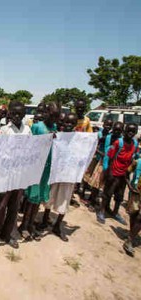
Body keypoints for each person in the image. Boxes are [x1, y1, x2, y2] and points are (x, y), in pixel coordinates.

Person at [0, 101, 32, 249]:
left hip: (20, 174)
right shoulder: (4, 130)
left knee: (14, 206)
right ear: (9, 114)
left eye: (20, 114)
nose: (16, 116)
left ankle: (6, 234)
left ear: (24, 115)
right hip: (6, 174)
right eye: (13, 113)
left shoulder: (27, 129)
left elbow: (31, 148)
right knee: (1, 205)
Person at [19, 102, 60, 241]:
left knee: (39, 199)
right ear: (46, 113)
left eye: (57, 116)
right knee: (31, 197)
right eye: (52, 115)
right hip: (36, 166)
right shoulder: (37, 127)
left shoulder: (54, 127)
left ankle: (31, 225)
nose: (54, 118)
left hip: (47, 168)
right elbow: (29, 146)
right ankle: (23, 226)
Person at [38, 113, 78, 242]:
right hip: (55, 172)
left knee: (64, 199)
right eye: (67, 122)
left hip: (69, 174)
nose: (69, 125)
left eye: (72, 123)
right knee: (50, 196)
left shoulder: (79, 139)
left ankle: (57, 225)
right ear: (63, 122)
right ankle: (45, 220)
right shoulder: (56, 136)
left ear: (75, 125)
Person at [97, 123, 138, 225]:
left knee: (119, 195)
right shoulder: (118, 143)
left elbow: (134, 157)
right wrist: (107, 171)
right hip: (114, 172)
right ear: (124, 131)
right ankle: (102, 211)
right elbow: (108, 156)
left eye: (133, 131)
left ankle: (115, 212)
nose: (130, 133)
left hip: (124, 174)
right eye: (129, 131)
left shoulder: (135, 144)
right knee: (107, 193)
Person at [83, 119, 114, 211]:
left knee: (95, 179)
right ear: (103, 124)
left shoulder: (109, 136)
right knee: (88, 175)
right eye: (107, 124)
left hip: (102, 159)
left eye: (110, 125)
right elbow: (95, 146)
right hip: (96, 157)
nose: (108, 127)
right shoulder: (99, 134)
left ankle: (91, 198)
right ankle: (83, 193)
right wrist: (101, 153)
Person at [124, 158, 141, 256]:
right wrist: (130, 187)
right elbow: (126, 173)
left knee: (140, 218)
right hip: (136, 193)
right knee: (133, 214)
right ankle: (131, 234)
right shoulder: (138, 162)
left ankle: (130, 240)